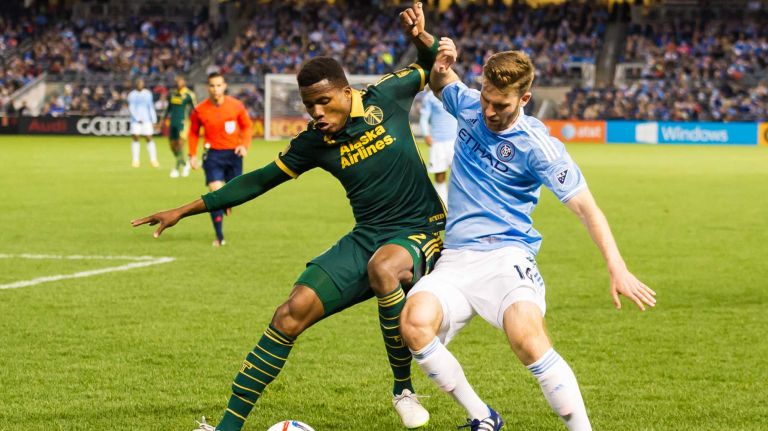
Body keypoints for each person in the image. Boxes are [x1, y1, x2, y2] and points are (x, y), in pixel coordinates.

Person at [132, 4, 445, 430]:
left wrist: (420, 38)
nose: (315, 112)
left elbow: (428, 65)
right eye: (308, 105)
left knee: (385, 268)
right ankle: (226, 428)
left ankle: (403, 390)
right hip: (368, 235)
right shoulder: (314, 142)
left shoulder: (386, 96)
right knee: (289, 313)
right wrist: (185, 209)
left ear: (345, 91)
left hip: (421, 230)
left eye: (323, 101)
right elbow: (257, 181)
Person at [399, 38, 657, 431]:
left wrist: (617, 267)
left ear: (525, 98)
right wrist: (430, 44)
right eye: (486, 97)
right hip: (455, 259)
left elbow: (587, 208)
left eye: (500, 105)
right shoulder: (469, 105)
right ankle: (482, 417)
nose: (488, 110)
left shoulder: (539, 147)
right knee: (414, 323)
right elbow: (441, 79)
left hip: (507, 257)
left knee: (525, 333)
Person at [188, 72, 253, 247]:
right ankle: (219, 236)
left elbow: (247, 127)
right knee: (215, 195)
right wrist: (192, 154)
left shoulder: (236, 106)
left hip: (234, 155)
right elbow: (193, 132)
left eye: (218, 85)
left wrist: (243, 145)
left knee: (234, 195)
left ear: (224, 86)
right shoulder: (200, 110)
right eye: (212, 86)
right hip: (213, 155)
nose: (215, 89)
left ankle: (228, 202)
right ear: (207, 87)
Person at [419, 86, 457, 204]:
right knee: (439, 175)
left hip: (455, 141)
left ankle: (458, 203)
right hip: (438, 142)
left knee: (459, 174)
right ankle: (443, 205)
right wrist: (426, 134)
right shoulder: (430, 97)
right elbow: (424, 118)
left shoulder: (454, 93)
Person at [160, 75, 196, 178]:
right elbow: (168, 109)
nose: (177, 83)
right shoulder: (172, 94)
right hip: (173, 123)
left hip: (183, 123)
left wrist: (197, 122)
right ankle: (185, 164)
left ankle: (176, 169)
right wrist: (162, 121)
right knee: (173, 147)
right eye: (176, 81)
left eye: (179, 81)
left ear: (183, 82)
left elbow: (195, 110)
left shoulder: (189, 95)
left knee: (180, 144)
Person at [127, 78, 159, 168]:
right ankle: (135, 160)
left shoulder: (147, 94)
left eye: (142, 83)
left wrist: (154, 120)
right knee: (135, 138)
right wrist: (137, 118)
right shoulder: (132, 95)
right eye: (139, 83)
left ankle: (153, 160)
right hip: (135, 121)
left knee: (149, 138)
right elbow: (131, 108)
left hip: (147, 120)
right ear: (136, 84)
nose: (140, 85)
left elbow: (151, 107)